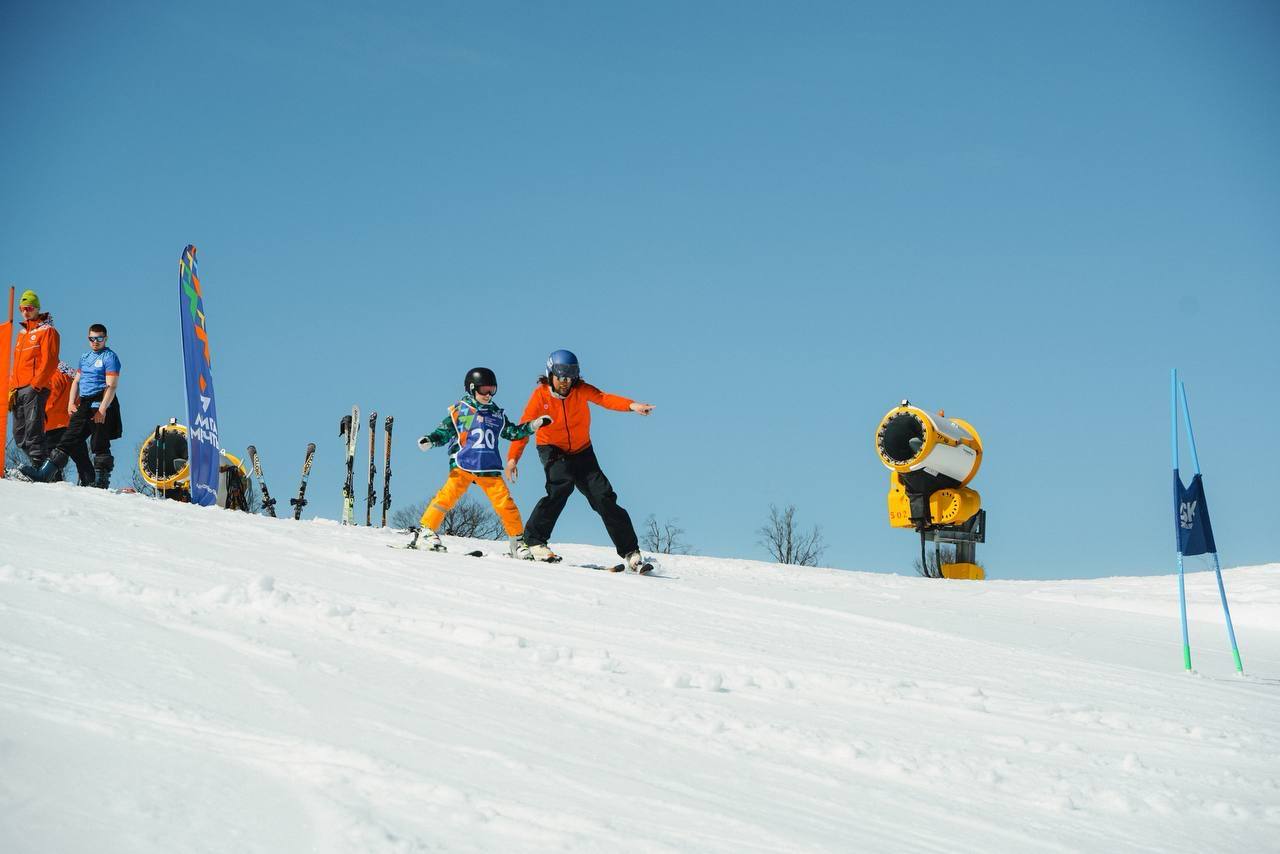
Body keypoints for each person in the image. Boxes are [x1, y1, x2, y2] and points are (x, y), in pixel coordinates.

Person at [506, 349, 654, 570]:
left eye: (570, 378)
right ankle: (534, 542)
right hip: (552, 448)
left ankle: (631, 551)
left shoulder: (580, 390)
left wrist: (632, 406)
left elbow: (604, 398)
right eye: (560, 377)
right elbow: (524, 428)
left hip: (582, 450)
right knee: (561, 486)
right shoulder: (540, 396)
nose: (565, 382)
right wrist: (512, 458)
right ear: (550, 374)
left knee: (603, 496)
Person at [411, 367, 552, 555]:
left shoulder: (495, 414)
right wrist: (431, 440)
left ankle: (517, 542)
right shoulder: (463, 410)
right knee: (447, 496)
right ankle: (426, 531)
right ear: (471, 388)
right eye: (484, 390)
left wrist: (533, 425)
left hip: (488, 467)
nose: (488, 395)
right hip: (464, 463)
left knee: (505, 504)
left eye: (492, 390)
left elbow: (513, 433)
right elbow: (444, 431)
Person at [25, 323, 122, 487]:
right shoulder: (85, 357)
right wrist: (71, 402)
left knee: (99, 442)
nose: (95, 342)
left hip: (102, 400)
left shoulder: (109, 357)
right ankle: (45, 473)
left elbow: (111, 385)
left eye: (99, 338)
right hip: (85, 402)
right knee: (69, 438)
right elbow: (76, 381)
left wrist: (102, 409)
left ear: (105, 338)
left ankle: (100, 481)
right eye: (92, 338)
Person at [9, 289, 60, 472]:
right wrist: (12, 387)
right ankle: (44, 468)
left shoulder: (47, 331)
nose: (25, 311)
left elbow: (51, 360)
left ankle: (40, 467)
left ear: (37, 308)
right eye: (22, 308)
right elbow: (16, 363)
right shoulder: (22, 334)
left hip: (35, 387)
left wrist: (36, 385)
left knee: (33, 430)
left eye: (29, 308)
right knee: (19, 434)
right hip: (18, 388)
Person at [41, 363, 94, 486]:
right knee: (82, 459)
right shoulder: (72, 373)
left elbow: (50, 398)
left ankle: (54, 484)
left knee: (53, 461)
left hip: (54, 424)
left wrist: (39, 414)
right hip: (74, 424)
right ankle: (91, 484)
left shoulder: (52, 374)